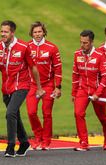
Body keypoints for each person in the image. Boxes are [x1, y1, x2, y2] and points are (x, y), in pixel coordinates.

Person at [0, 20, 44, 157]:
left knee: (10, 113)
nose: (3, 34)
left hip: (22, 85)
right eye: (1, 31)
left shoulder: (23, 47)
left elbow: (33, 68)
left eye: (5, 32)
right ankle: (24, 142)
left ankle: (10, 146)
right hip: (6, 88)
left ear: (12, 33)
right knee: (14, 114)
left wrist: (39, 88)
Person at [72, 30, 106, 151]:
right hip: (82, 89)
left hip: (97, 90)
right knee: (78, 113)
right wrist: (74, 93)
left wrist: (97, 93)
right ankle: (84, 143)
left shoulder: (100, 55)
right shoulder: (77, 54)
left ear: (91, 42)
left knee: (102, 116)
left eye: (85, 43)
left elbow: (105, 76)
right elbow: (75, 75)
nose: (82, 45)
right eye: (81, 42)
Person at [26, 21, 62, 150]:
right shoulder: (27, 47)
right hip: (32, 85)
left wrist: (57, 87)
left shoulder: (52, 48)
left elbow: (58, 69)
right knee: (31, 112)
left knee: (47, 113)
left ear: (44, 32)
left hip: (48, 85)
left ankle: (46, 140)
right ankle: (38, 136)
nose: (37, 34)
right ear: (32, 33)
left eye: (39, 31)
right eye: (35, 32)